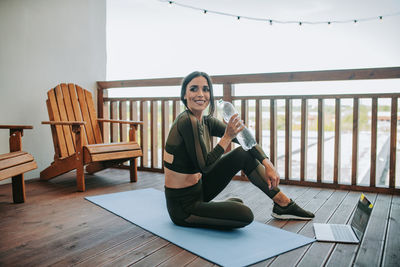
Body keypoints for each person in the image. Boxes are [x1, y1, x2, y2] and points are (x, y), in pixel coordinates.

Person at [163, 71, 314, 229]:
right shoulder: (187, 121)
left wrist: (267, 162)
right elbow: (205, 166)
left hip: (200, 189)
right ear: (184, 95)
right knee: (245, 215)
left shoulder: (206, 121)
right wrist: (227, 137)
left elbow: (243, 137)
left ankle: (283, 203)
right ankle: (222, 208)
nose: (201, 94)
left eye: (206, 89)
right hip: (183, 206)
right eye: (194, 89)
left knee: (243, 153)